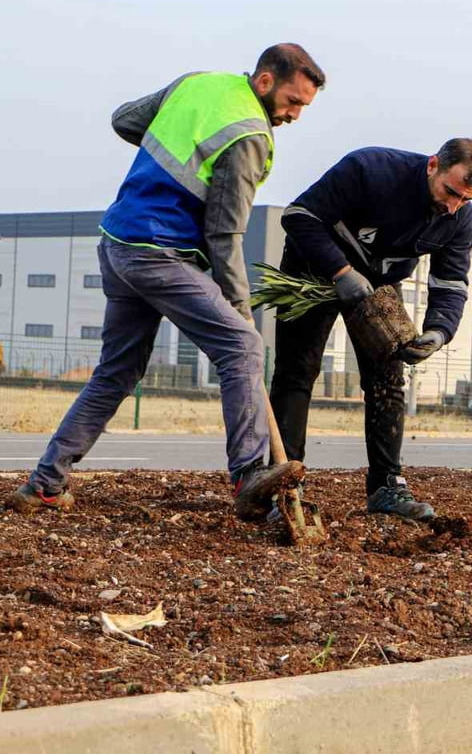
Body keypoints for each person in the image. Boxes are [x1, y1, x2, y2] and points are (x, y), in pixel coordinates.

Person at [7, 44, 326, 522]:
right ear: (264, 82)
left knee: (116, 372)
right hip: (159, 254)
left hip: (118, 244)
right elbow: (224, 234)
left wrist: (171, 169)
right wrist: (240, 308)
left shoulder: (197, 83)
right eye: (293, 101)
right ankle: (248, 476)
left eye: (304, 106)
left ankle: (44, 483)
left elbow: (124, 120)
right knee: (242, 347)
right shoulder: (249, 135)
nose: (296, 114)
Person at [268, 139, 472, 520]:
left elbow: (450, 280)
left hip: (379, 285)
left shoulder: (458, 217)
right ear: (432, 165)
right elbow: (300, 215)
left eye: (465, 199)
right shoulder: (370, 169)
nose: (453, 205)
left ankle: (387, 486)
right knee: (296, 373)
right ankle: (286, 489)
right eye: (450, 192)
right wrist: (340, 272)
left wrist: (439, 330)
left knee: (388, 377)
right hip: (314, 269)